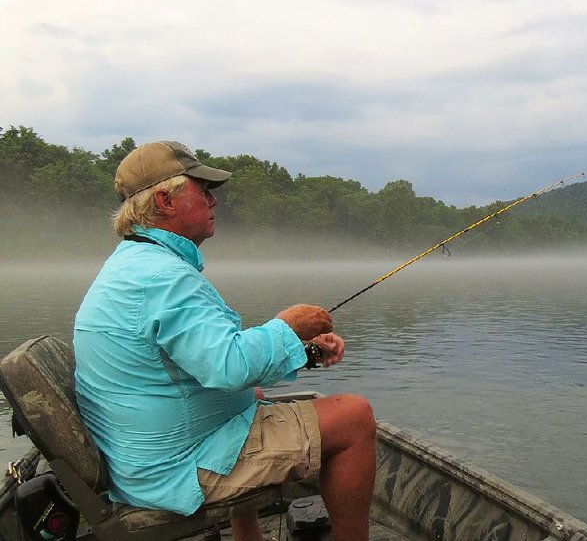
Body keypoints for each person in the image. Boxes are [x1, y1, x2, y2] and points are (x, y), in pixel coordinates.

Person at [73, 140, 376, 541]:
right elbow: (228, 366)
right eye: (204, 191)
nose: (214, 201)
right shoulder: (165, 278)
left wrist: (307, 353)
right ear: (164, 200)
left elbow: (204, 356)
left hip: (141, 462)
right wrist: (290, 324)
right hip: (176, 471)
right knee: (354, 417)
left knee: (250, 395)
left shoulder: (134, 264)